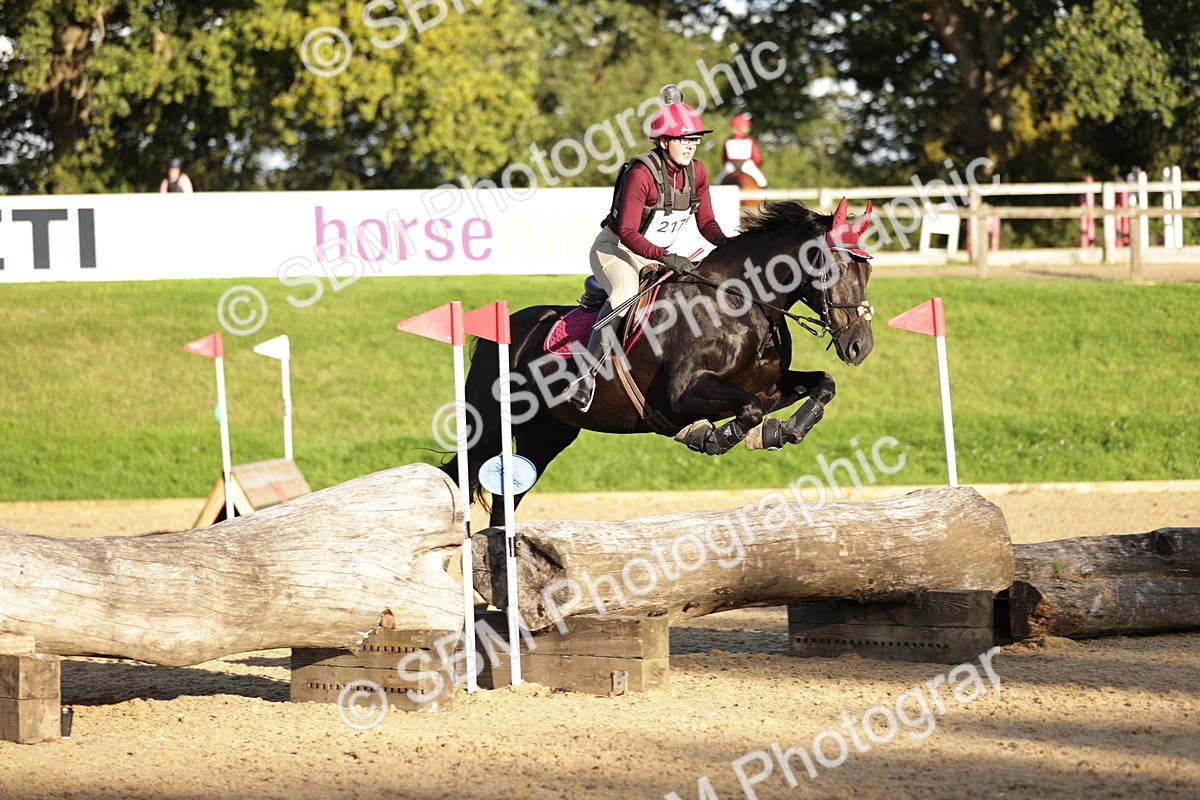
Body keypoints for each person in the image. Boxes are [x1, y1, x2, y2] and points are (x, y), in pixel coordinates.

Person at [566, 85, 733, 412]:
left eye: (695, 139)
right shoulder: (642, 173)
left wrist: (728, 244)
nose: (691, 146)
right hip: (615, 249)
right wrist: (666, 256)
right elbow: (627, 232)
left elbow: (707, 222)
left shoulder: (697, 172)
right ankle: (585, 375)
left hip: (654, 255)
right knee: (624, 295)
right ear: (664, 140)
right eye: (684, 139)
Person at [715, 113, 767, 188]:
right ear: (740, 127)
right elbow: (756, 158)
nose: (748, 129)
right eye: (746, 127)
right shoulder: (750, 140)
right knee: (763, 182)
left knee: (717, 183)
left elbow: (724, 158)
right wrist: (758, 164)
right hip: (747, 166)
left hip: (730, 166)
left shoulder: (728, 140)